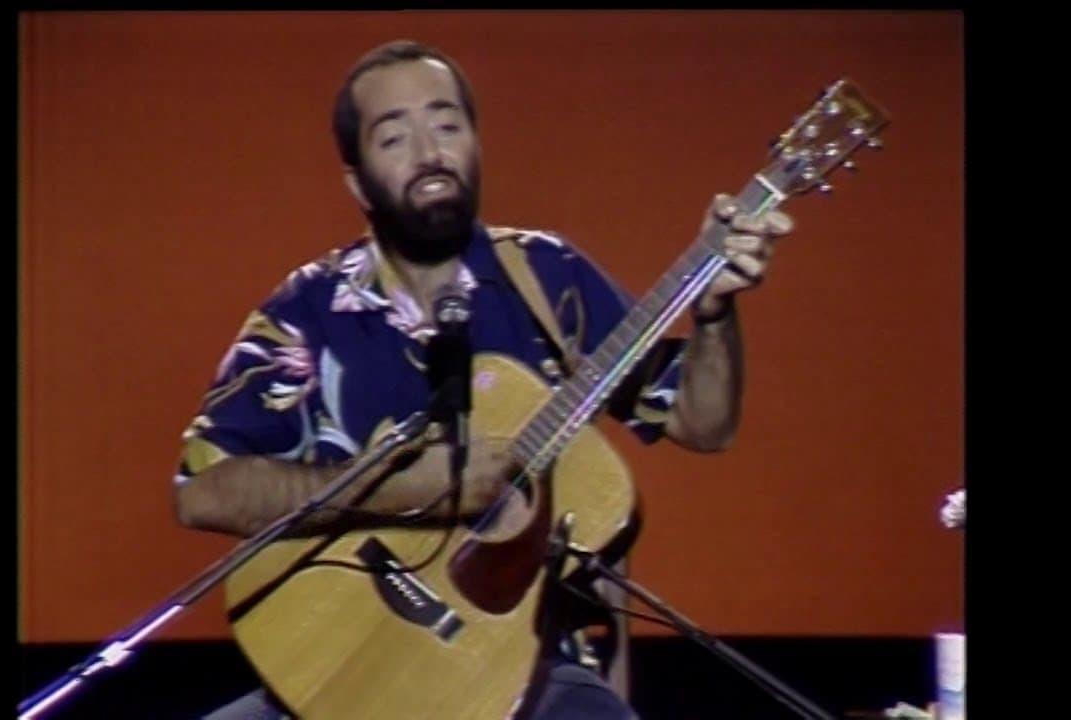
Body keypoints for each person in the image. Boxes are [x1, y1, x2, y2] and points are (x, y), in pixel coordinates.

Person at [173, 40, 793, 720]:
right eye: (394, 136)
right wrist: (413, 490)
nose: (429, 151)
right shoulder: (306, 314)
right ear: (356, 181)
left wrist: (714, 312)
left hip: (525, 667)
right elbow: (204, 492)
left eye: (447, 124)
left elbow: (703, 424)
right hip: (345, 668)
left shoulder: (546, 278)